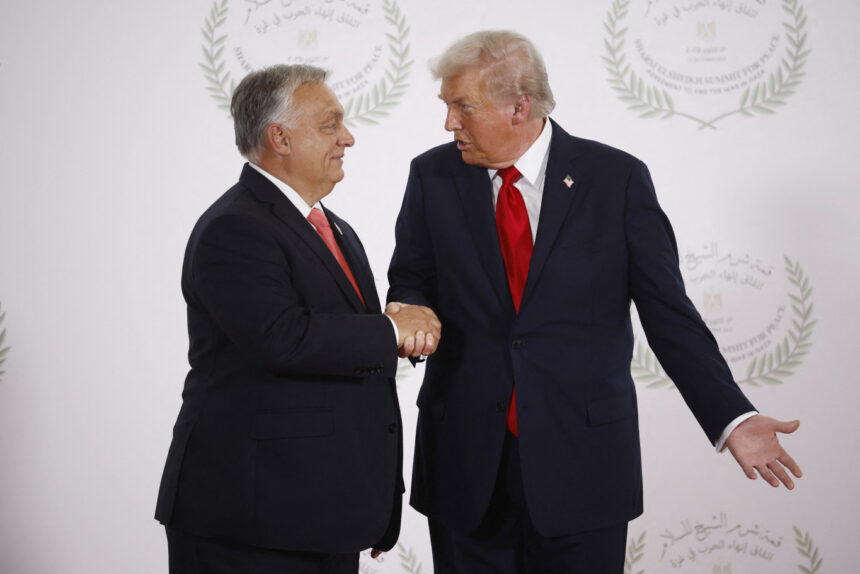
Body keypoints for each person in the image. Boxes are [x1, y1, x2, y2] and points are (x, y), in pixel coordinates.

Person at [386, 31, 802, 574]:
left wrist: (732, 417)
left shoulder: (617, 179)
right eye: (446, 106)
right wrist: (408, 309)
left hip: (583, 464)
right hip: (464, 461)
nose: (449, 123)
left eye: (463, 106)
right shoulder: (432, 175)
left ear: (519, 107)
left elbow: (668, 313)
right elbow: (411, 279)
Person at [154, 64, 440, 574]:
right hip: (250, 523)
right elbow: (281, 338)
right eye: (330, 125)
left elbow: (339, 353)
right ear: (280, 138)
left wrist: (373, 502)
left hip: (324, 515)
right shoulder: (234, 228)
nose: (348, 138)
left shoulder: (334, 227)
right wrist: (392, 330)